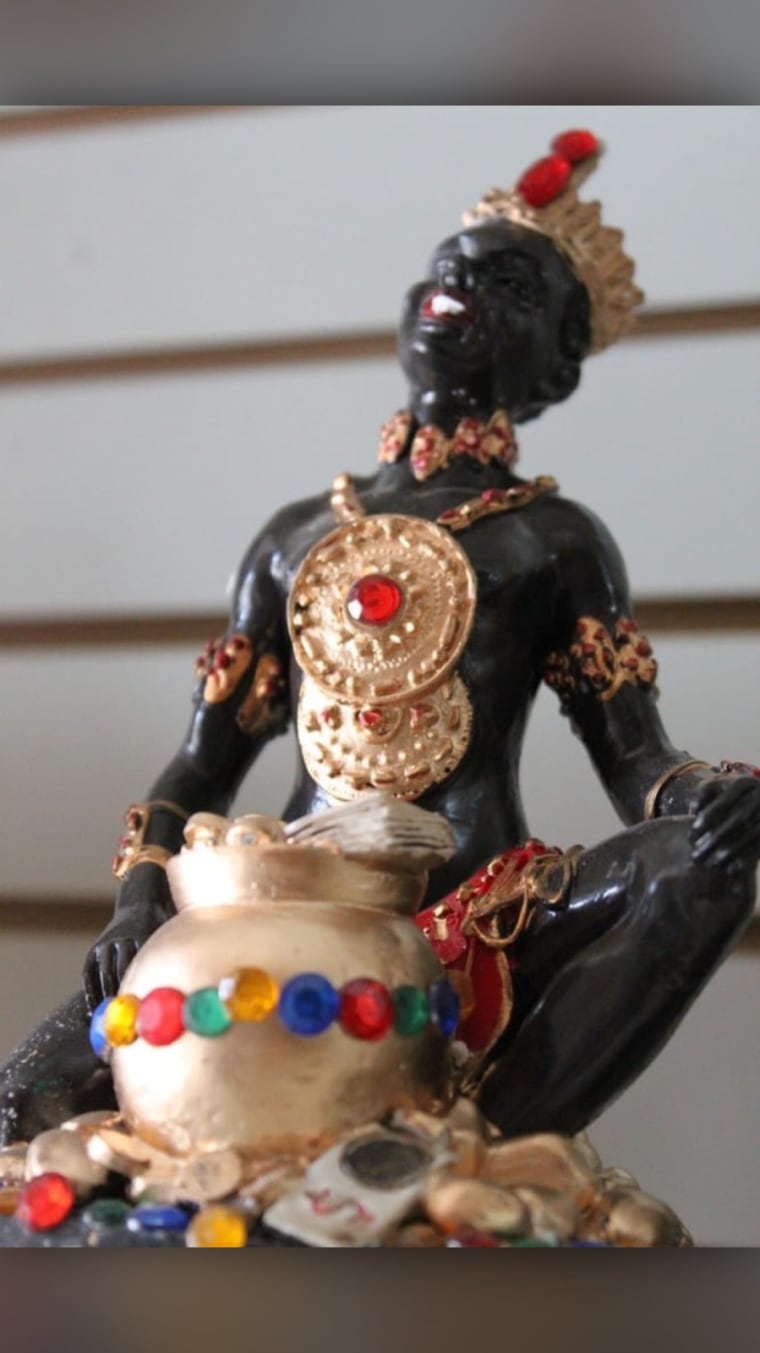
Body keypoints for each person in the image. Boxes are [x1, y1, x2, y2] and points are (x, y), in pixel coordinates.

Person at [1, 130, 758, 1148]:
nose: (459, 287)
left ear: (556, 365)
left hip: (480, 908)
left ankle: (465, 1159)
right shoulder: (294, 538)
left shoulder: (553, 542)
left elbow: (638, 762)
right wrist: (140, 900)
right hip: (270, 904)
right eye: (448, 271)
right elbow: (199, 767)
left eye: (508, 286)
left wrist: (713, 799)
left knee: (700, 864)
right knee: (20, 1108)